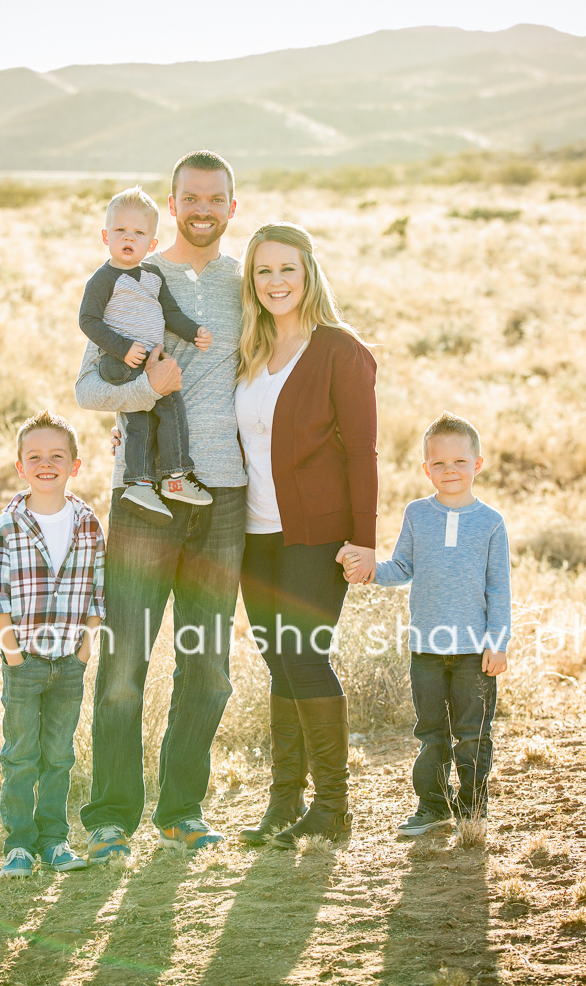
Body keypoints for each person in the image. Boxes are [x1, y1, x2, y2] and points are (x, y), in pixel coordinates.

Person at [74, 151, 247, 862]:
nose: (202, 208)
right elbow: (89, 389)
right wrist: (149, 389)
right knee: (124, 665)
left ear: (232, 207)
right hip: (145, 500)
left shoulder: (249, 280)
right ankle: (112, 813)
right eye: (191, 197)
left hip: (226, 498)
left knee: (206, 665)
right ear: (172, 205)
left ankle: (183, 809)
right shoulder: (134, 271)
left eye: (216, 198)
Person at [235, 222, 378, 848]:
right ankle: (284, 801)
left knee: (302, 654)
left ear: (308, 272)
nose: (275, 282)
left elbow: (362, 453)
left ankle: (334, 805)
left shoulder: (340, 350)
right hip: (255, 533)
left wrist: (366, 541)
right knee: (277, 661)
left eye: (286, 269)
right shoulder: (249, 348)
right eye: (263, 271)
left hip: (317, 535)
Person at [340, 411, 511, 835]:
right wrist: (370, 570)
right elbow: (402, 567)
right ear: (425, 468)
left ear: (478, 464)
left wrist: (498, 642)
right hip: (427, 649)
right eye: (439, 463)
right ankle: (433, 807)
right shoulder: (418, 514)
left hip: (475, 651)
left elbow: (499, 589)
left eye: (459, 462)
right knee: (431, 733)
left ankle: (472, 810)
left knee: (472, 735)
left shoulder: (491, 523)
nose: (449, 470)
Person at [0, 409, 105, 877]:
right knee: (20, 754)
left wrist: (86, 647)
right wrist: (12, 652)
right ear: (20, 466)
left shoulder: (87, 523)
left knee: (60, 754)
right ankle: (19, 845)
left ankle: (54, 840)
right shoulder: (7, 525)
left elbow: (98, 590)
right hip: (24, 661)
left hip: (70, 661)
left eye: (57, 455)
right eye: (34, 456)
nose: (45, 463)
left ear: (74, 465)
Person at [78, 186, 214, 525]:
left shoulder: (153, 276)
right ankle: (168, 477)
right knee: (153, 412)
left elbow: (170, 313)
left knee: (156, 414)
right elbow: (88, 321)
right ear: (105, 236)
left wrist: (193, 332)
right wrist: (123, 348)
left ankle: (154, 480)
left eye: (139, 233)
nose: (129, 237)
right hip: (121, 362)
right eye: (120, 230)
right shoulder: (103, 278)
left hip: (145, 362)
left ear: (151, 244)